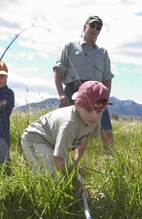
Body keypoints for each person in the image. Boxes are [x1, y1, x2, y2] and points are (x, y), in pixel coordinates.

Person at [21, 81, 112, 196]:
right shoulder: (69, 124)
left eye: (99, 111)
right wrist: (75, 182)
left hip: (55, 142)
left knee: (66, 172)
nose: (94, 115)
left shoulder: (92, 120)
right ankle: (50, 202)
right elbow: (59, 158)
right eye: (89, 110)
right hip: (35, 139)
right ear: (77, 106)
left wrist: (76, 162)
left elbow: (85, 137)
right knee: (56, 178)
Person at [53, 15, 114, 153]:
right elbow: (58, 70)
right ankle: (62, 164)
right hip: (72, 93)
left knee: (107, 133)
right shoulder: (69, 47)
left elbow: (107, 78)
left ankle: (110, 165)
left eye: (98, 28)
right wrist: (61, 93)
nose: (95, 29)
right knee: (68, 129)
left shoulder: (103, 53)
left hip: (98, 95)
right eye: (92, 26)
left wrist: (106, 98)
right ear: (85, 27)